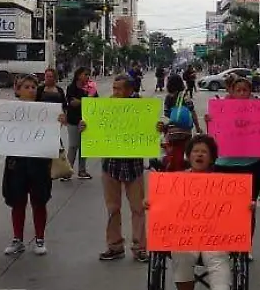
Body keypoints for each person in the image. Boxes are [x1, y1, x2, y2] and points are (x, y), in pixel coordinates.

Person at [150, 134, 254, 290]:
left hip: (214, 236)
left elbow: (235, 209)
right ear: (188, 156)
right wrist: (151, 204)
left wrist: (247, 206)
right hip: (184, 236)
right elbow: (163, 207)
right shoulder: (175, 181)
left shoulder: (225, 183)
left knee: (217, 257)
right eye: (195, 151)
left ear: (212, 158)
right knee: (181, 255)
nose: (199, 155)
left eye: (204, 152)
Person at [84, 74, 155, 262]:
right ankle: (115, 246)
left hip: (133, 165)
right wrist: (86, 127)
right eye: (114, 88)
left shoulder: (142, 109)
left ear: (130, 90)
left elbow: (151, 130)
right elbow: (95, 128)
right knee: (113, 208)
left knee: (138, 208)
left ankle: (140, 247)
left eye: (119, 88)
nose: (114, 92)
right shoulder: (106, 108)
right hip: (111, 165)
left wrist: (157, 128)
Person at [3, 73, 66, 255]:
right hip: (16, 162)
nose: (30, 90)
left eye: (33, 87)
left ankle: (39, 239)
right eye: (26, 87)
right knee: (17, 201)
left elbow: (52, 132)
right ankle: (17, 239)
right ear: (17, 90)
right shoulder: (8, 111)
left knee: (39, 201)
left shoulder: (45, 111)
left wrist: (60, 122)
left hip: (39, 161)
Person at [207, 75, 260, 247]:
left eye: (245, 90)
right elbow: (213, 137)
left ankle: (245, 247)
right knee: (224, 208)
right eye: (238, 90)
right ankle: (227, 244)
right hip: (224, 165)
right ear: (231, 91)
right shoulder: (221, 109)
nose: (242, 93)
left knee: (248, 208)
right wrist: (210, 122)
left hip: (252, 165)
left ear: (250, 92)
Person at [162, 73, 201, 172]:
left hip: (172, 132)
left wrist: (175, 115)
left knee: (173, 153)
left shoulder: (168, 97)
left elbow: (166, 113)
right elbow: (192, 111)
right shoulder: (184, 95)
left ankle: (173, 169)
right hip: (185, 131)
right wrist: (197, 127)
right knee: (187, 153)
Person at [64, 67, 95, 180]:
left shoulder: (91, 88)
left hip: (86, 121)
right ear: (78, 75)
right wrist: (86, 101)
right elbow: (73, 103)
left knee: (84, 147)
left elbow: (95, 102)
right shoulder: (71, 88)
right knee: (73, 146)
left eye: (88, 75)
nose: (87, 77)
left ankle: (82, 171)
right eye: (85, 74)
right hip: (73, 120)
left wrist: (81, 101)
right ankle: (67, 171)